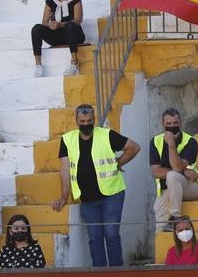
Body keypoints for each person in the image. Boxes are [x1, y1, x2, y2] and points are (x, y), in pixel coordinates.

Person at [51, 104, 140, 268]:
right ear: (76, 121)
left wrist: (118, 163)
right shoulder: (67, 139)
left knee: (111, 233)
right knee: (95, 237)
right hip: (87, 198)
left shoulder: (107, 135)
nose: (86, 124)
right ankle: (99, 274)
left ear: (94, 120)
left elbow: (134, 147)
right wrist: (64, 196)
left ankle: (116, 272)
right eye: (82, 121)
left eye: (89, 120)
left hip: (112, 193)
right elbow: (64, 168)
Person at [151, 108, 198, 224]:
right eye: (168, 123)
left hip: (190, 186)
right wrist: (184, 172)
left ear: (180, 123)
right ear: (163, 124)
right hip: (168, 189)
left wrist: (171, 144)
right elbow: (156, 172)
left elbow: (177, 167)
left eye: (175, 123)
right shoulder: (155, 141)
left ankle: (175, 217)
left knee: (173, 176)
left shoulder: (190, 141)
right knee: (159, 215)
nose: (172, 126)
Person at [31, 0, 86, 78]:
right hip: (57, 35)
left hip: (74, 34)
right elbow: (44, 21)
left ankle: (74, 62)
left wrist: (60, 24)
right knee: (36, 28)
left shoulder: (75, 0)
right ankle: (38, 66)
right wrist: (51, 25)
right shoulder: (50, 1)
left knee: (70, 25)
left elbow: (78, 21)